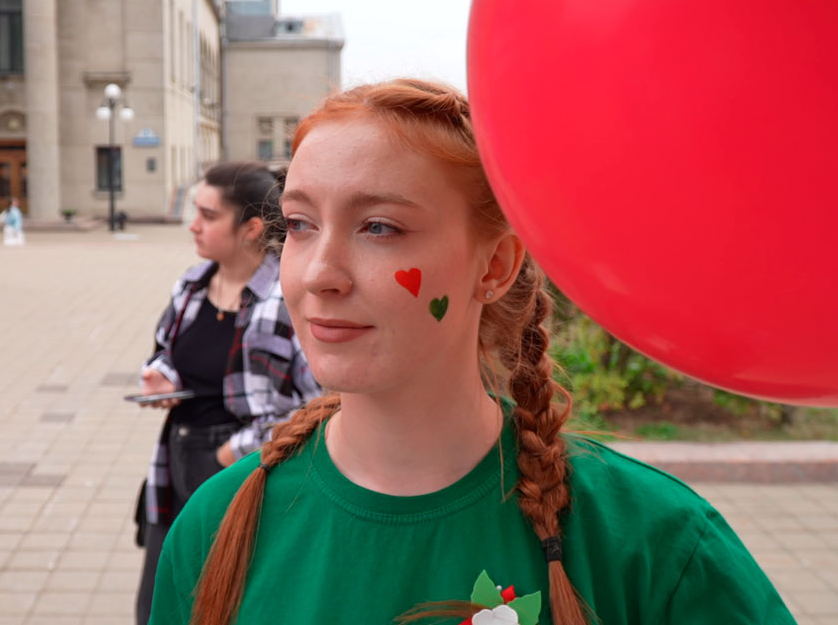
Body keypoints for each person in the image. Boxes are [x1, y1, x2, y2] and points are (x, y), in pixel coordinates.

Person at [148, 81, 796, 625]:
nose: (320, 273)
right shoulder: (217, 527)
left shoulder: (651, 543)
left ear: (495, 266)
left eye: (380, 227)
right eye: (300, 225)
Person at [134, 162, 321, 624]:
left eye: (208, 215)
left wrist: (230, 452)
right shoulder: (192, 285)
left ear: (251, 228)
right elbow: (165, 353)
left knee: (227, 603)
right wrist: (162, 379)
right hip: (174, 460)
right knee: (161, 601)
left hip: (244, 467)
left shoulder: (287, 299)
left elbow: (319, 406)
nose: (194, 224)